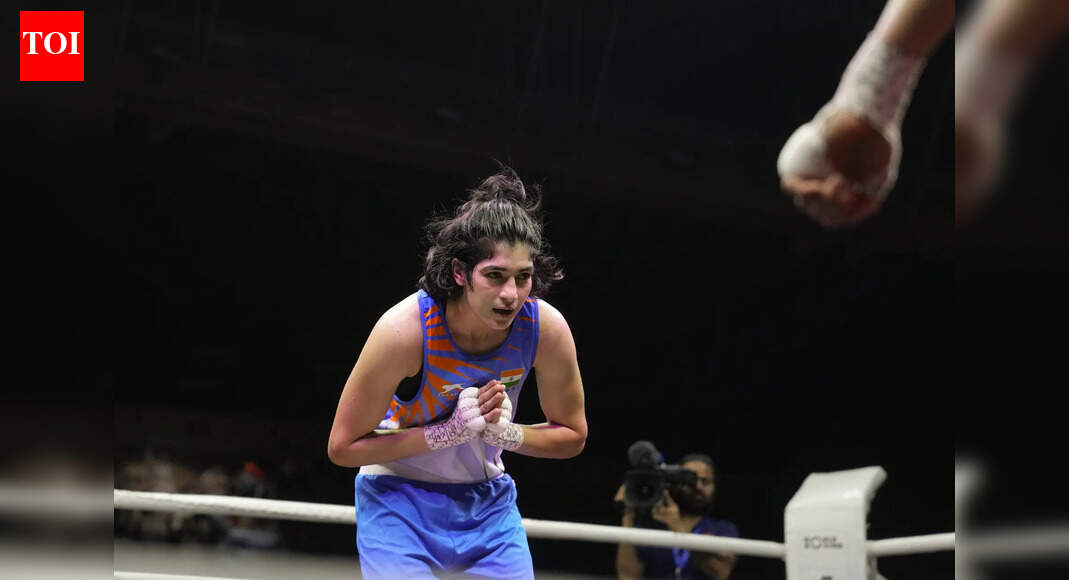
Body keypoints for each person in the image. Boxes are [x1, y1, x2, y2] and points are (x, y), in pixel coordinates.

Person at [327, 167, 588, 580]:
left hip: (487, 504)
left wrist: (509, 434)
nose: (511, 294)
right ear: (459, 272)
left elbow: (572, 435)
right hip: (396, 498)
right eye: (495, 276)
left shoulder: (546, 329)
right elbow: (342, 447)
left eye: (523, 277)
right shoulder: (404, 330)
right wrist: (444, 434)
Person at [777, 0, 954, 227]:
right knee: (893, 57)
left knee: (895, 57)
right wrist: (821, 191)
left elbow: (791, 183)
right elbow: (791, 183)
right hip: (851, 141)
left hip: (854, 137)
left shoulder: (812, 163)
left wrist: (820, 190)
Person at [614, 454, 739, 580]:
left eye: (705, 481)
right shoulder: (651, 529)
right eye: (690, 480)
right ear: (675, 483)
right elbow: (627, 576)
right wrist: (627, 515)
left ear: (714, 487)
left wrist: (678, 528)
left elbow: (721, 572)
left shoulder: (723, 529)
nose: (698, 486)